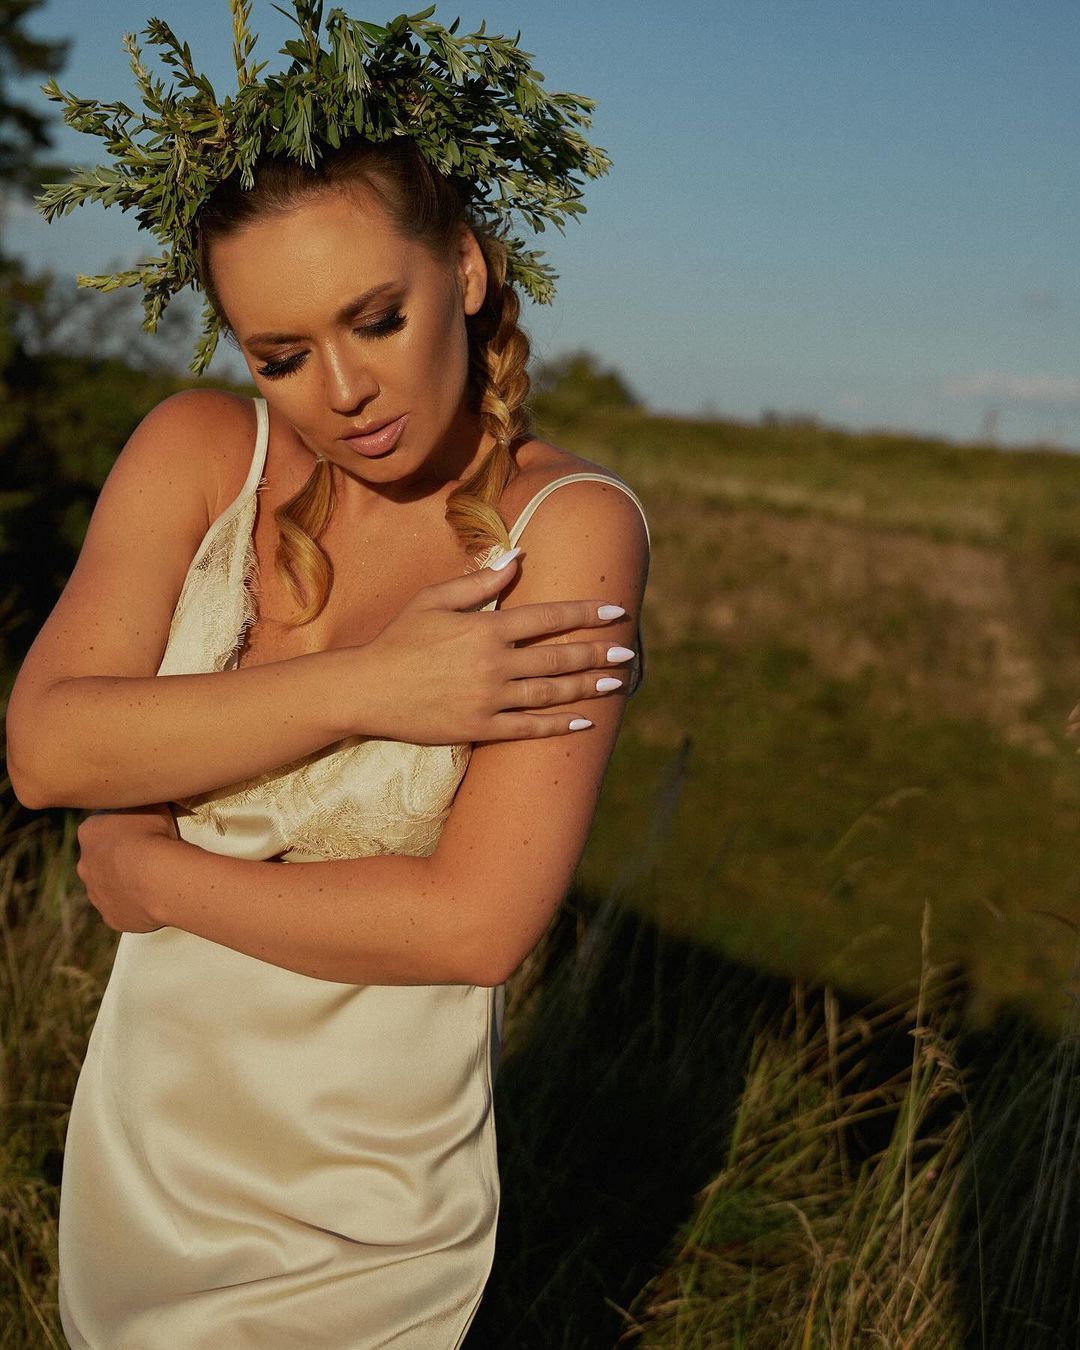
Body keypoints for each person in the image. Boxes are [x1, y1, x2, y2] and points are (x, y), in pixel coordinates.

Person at [7, 6, 650, 1347]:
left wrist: (152, 873)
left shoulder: (571, 530)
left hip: (363, 1212)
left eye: (376, 317)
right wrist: (373, 687)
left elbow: (474, 924)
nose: (343, 389)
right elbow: (47, 752)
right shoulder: (196, 452)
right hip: (144, 1165)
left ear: (467, 268)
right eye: (283, 354)